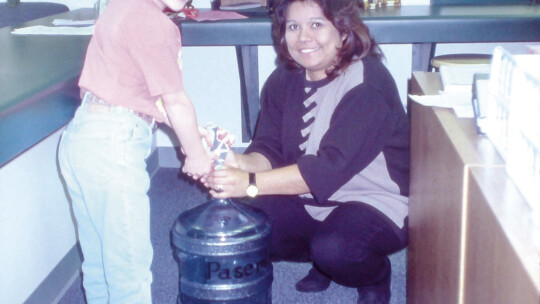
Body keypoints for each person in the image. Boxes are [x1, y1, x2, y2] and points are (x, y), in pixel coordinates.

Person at [205, 0, 409, 303]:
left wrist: (247, 183)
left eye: (316, 24)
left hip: (378, 201)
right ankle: (322, 262)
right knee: (244, 222)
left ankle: (375, 276)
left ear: (342, 29)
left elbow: (327, 169)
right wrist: (235, 162)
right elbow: (268, 151)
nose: (303, 38)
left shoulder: (368, 84)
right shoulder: (282, 81)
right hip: (310, 198)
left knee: (336, 249)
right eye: (293, 26)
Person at [57, 0, 214, 303]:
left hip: (82, 138)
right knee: (129, 269)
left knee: (100, 262)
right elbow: (175, 101)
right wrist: (196, 155)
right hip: (112, 148)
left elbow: (134, 91)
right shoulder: (154, 24)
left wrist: (190, 135)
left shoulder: (122, 7)